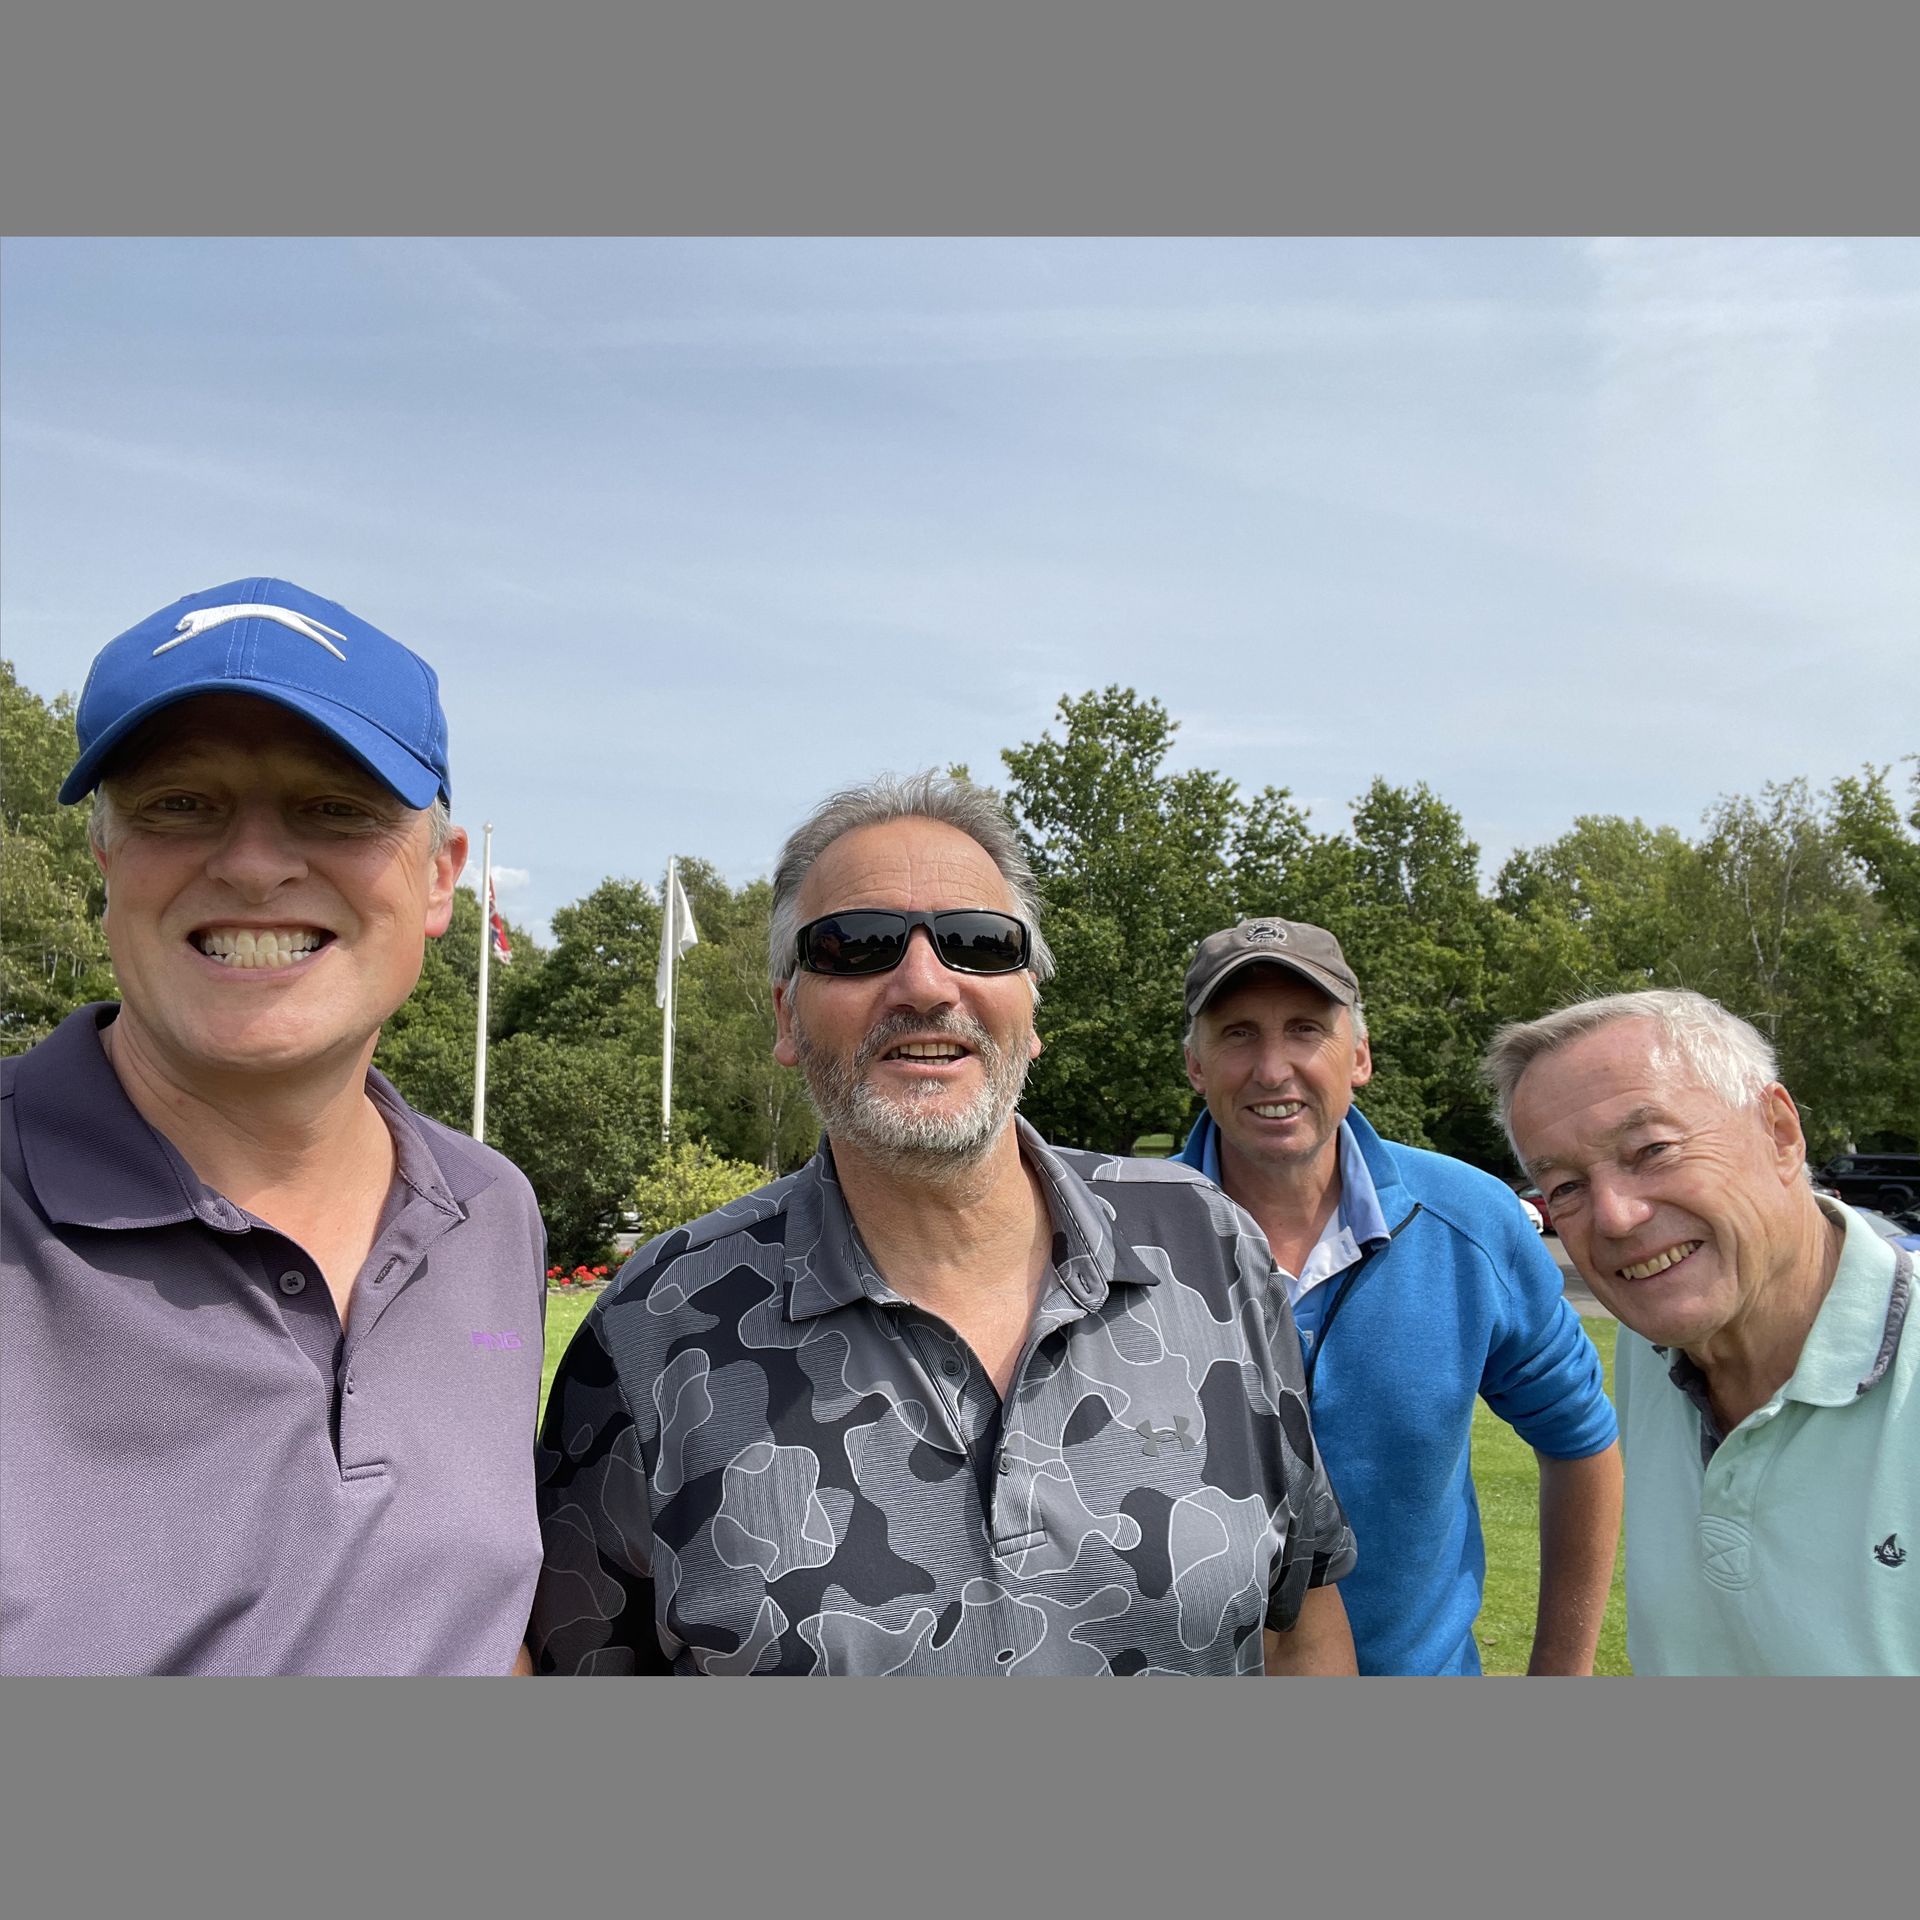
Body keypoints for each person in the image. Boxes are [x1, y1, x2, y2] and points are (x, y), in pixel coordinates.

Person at [530, 775, 1357, 1674]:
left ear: (1030, 1008)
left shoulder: (1208, 1247)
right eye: (855, 946)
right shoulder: (655, 1326)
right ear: (785, 1017)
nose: (925, 983)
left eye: (977, 943)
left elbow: (1299, 1623)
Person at [1, 578, 546, 1675]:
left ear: (440, 881)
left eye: (334, 808)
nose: (252, 863)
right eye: (180, 804)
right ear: (106, 858)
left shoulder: (491, 1213)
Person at [1175, 917, 1622, 1674]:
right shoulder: (1117, 1236)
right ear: (1195, 1064)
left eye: (1306, 1031)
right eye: (1239, 1034)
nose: (1273, 1068)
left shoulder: (1470, 1220)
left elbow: (1581, 1443)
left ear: (1359, 1057)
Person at [1488, 989, 1917, 1674]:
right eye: (1564, 1186)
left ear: (1779, 1131)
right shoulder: (1656, 1341)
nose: (1615, 1218)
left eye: (1651, 1148)